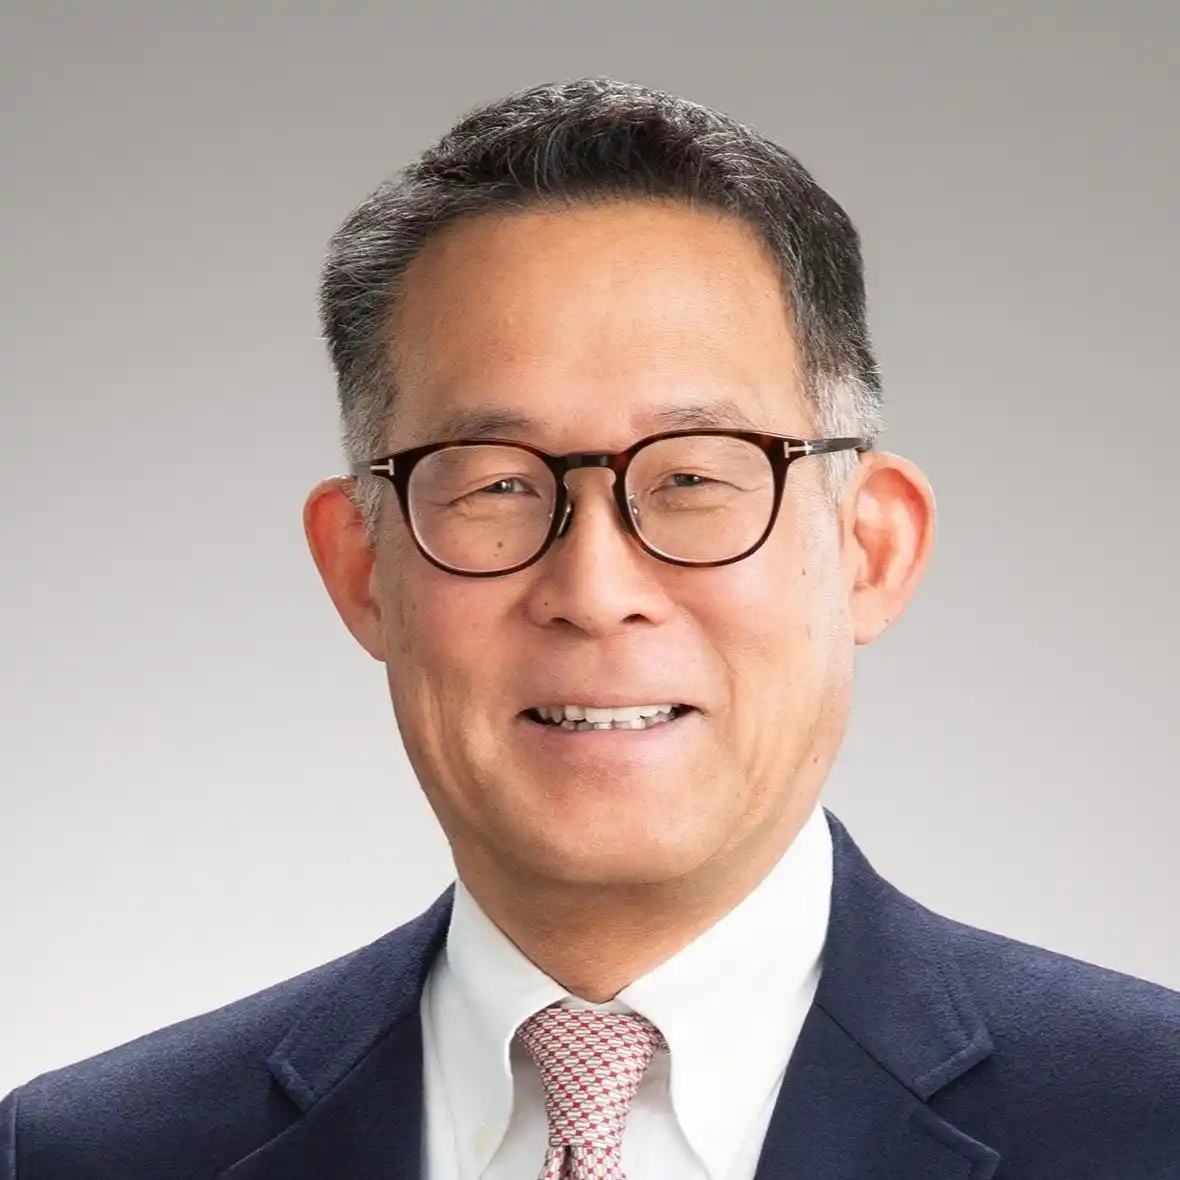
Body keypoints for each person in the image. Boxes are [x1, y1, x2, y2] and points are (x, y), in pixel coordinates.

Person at [3, 77, 1177, 1180]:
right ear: (361, 569)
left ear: (870, 548)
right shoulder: (84, 1154)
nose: (594, 586)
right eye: (496, 484)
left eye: (693, 478)